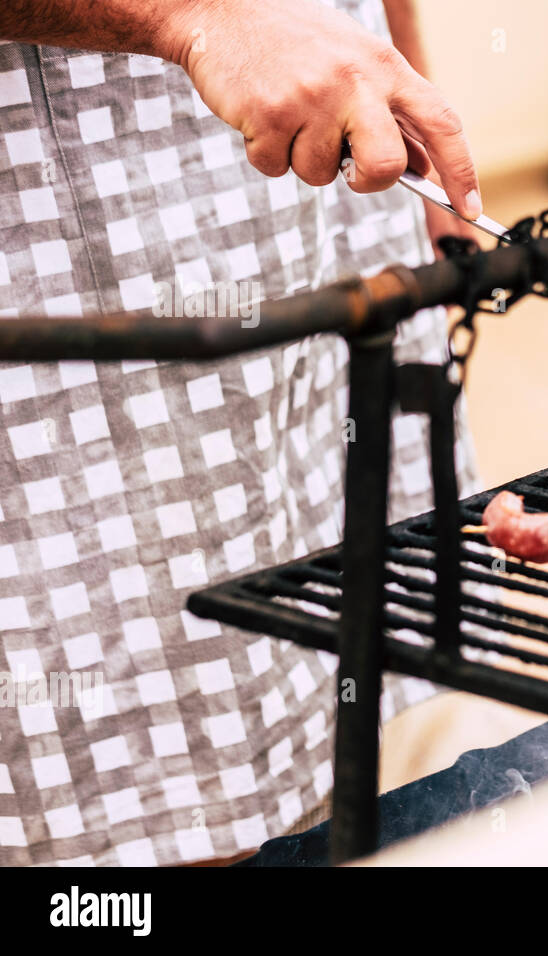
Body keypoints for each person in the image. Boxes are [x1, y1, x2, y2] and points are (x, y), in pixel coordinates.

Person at [0, 0, 483, 865]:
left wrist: (406, 85)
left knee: (318, 684)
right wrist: (190, 20)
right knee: (145, 782)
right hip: (71, 253)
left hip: (331, 171)